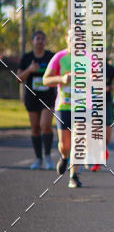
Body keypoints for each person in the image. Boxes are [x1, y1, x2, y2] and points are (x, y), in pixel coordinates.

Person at [42, 29, 83, 188]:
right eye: (73, 37)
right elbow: (46, 80)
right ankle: (65, 157)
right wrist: (62, 78)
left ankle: (74, 175)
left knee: (78, 139)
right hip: (64, 106)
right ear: (67, 38)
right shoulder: (59, 57)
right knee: (65, 145)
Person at [17, 30, 56, 169]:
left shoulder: (51, 56)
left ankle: (48, 156)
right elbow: (18, 79)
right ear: (33, 41)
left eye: (42, 39)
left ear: (45, 42)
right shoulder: (27, 58)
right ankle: (38, 159)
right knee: (35, 128)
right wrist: (30, 70)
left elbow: (59, 73)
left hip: (48, 97)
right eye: (37, 39)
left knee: (45, 125)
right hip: (32, 98)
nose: (40, 41)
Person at [90, 59, 114, 171]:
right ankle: (97, 160)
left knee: (106, 137)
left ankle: (104, 150)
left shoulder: (110, 69)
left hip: (106, 104)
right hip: (92, 104)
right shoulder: (86, 67)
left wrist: (109, 88)